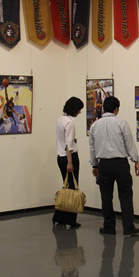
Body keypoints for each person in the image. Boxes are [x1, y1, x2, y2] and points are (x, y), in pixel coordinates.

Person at [89, 96, 139, 235]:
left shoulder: (95, 125)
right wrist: (135, 160)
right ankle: (128, 227)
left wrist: (94, 165)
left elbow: (92, 148)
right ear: (116, 109)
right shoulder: (121, 123)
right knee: (125, 195)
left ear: (104, 108)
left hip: (104, 165)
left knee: (106, 197)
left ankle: (109, 227)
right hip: (120, 164)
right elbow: (129, 144)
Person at [53, 97, 84, 228]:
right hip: (69, 157)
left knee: (66, 187)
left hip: (60, 157)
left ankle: (59, 217)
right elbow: (69, 144)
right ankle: (70, 219)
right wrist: (70, 162)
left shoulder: (60, 119)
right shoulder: (70, 123)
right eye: (79, 110)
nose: (80, 112)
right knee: (72, 189)